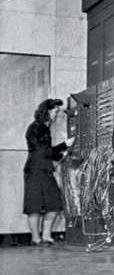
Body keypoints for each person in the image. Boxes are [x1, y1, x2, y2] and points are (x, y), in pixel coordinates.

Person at [24, 98, 75, 246]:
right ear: (46, 111)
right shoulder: (36, 128)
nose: (56, 114)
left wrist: (61, 154)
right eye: (54, 111)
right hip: (35, 170)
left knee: (54, 204)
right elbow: (42, 151)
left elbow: (47, 152)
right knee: (34, 206)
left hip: (44, 170)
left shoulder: (44, 128)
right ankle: (36, 239)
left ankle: (46, 236)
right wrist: (64, 144)